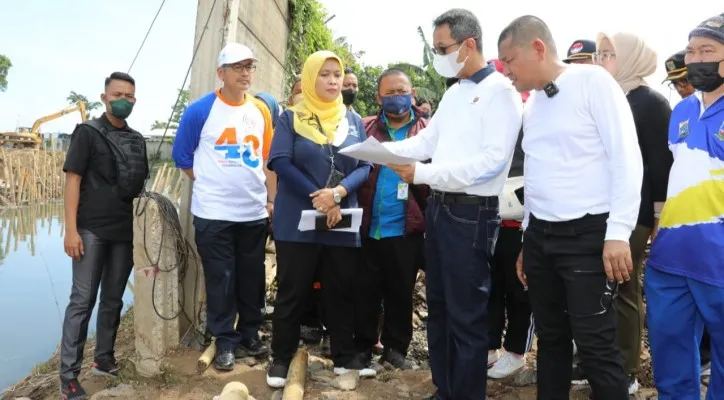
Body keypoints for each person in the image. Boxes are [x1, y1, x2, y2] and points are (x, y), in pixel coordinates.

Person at [498, 15, 643, 399]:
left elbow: (627, 159)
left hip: (588, 236)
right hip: (543, 237)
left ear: (539, 49)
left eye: (510, 60)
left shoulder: (593, 82)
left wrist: (618, 233)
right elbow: (538, 176)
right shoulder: (534, 106)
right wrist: (529, 239)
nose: (505, 70)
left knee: (595, 346)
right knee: (551, 340)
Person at [384, 9, 523, 400]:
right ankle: (445, 388)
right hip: (441, 210)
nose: (438, 56)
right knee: (441, 309)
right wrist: (379, 151)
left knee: (467, 314)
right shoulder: (454, 92)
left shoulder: (501, 93)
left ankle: (466, 393)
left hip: (471, 213)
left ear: (469, 45)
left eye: (442, 48)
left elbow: (491, 163)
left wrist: (423, 175)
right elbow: (427, 144)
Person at [265, 50, 373, 388]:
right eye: (324, 74)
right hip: (297, 220)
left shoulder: (352, 121)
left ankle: (343, 357)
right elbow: (280, 161)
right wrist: (320, 196)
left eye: (336, 75)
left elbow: (367, 165)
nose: (332, 81)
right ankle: (281, 358)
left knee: (340, 290)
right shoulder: (291, 117)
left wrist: (337, 194)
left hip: (340, 219)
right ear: (311, 78)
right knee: (293, 292)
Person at [171, 42, 275, 371]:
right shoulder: (200, 110)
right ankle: (225, 340)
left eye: (250, 67)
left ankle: (250, 335)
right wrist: (211, 183)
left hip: (253, 213)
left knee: (251, 278)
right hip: (214, 215)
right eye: (238, 67)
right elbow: (182, 157)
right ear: (221, 73)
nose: (246, 73)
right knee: (221, 279)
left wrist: (271, 200)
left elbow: (268, 160)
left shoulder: (260, 110)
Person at [645, 14, 724, 399]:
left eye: (707, 51)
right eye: (691, 50)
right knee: (670, 360)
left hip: (718, 260)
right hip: (670, 259)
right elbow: (682, 174)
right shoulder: (682, 110)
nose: (695, 60)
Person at [593, 32, 674, 394]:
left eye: (610, 54)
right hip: (601, 211)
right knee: (599, 289)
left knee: (624, 288)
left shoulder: (651, 103)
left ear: (630, 59)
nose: (601, 61)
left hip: (636, 213)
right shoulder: (608, 98)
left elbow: (660, 164)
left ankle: (626, 368)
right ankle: (601, 360)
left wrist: (658, 217)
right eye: (600, 54)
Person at [60, 72, 148, 400]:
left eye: (129, 95)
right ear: (105, 97)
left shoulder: (138, 140)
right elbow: (72, 181)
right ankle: (68, 375)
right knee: (82, 302)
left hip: (123, 232)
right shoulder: (87, 133)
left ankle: (104, 359)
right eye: (117, 94)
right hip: (90, 230)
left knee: (112, 299)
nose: (123, 99)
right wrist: (71, 230)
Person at [355, 68, 429, 370]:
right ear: (378, 97)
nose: (397, 97)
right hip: (368, 225)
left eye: (402, 92)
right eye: (390, 93)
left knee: (401, 291)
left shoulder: (427, 130)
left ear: (412, 94)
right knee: (364, 290)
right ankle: (362, 347)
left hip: (406, 227)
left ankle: (396, 348)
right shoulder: (365, 127)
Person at [661, 49, 711, 378]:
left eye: (685, 81)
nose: (683, 87)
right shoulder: (679, 113)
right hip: (684, 235)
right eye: (677, 83)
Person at [486, 59, 534, 379]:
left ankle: (516, 351)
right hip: (490, 219)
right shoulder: (485, 116)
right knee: (491, 287)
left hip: (522, 218)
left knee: (519, 287)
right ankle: (489, 347)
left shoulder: (533, 113)